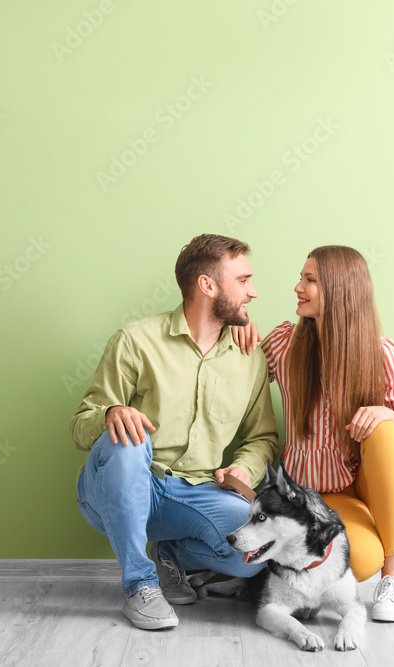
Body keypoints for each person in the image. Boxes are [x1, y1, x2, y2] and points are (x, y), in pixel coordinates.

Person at [70, 234, 279, 631]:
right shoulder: (136, 341)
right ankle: (140, 585)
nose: (254, 291)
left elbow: (262, 438)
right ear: (207, 285)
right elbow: (82, 427)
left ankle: (170, 556)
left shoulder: (250, 356)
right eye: (243, 280)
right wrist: (113, 413)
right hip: (119, 487)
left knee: (258, 551)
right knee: (132, 439)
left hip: (195, 493)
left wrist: (242, 471)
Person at [232, 245, 394, 622]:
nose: (297, 287)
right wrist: (239, 331)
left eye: (310, 280)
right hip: (310, 497)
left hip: (361, 485)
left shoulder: (383, 355)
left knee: (386, 428)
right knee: (359, 558)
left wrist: (384, 413)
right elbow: (236, 382)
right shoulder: (283, 344)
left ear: (340, 290)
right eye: (301, 277)